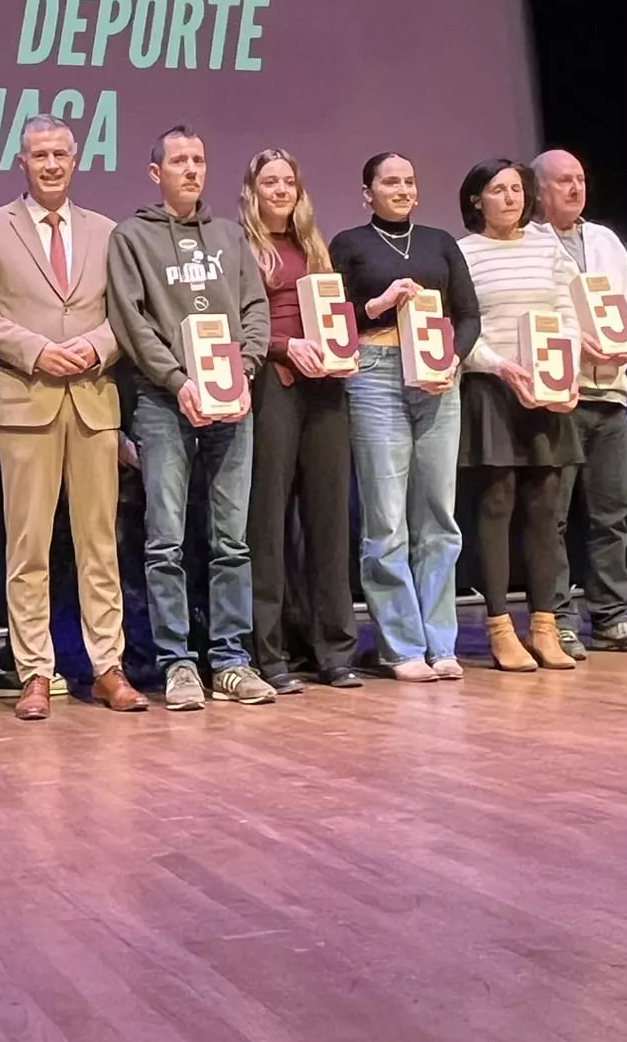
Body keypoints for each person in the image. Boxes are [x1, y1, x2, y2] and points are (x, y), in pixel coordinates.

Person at [0, 116, 146, 720]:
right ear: (23, 163)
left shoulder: (107, 231)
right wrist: (37, 350)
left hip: (94, 402)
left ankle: (107, 668)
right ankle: (35, 671)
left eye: (60, 154)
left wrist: (96, 347)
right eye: (39, 155)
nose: (50, 165)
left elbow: (128, 310)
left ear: (75, 160)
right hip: (26, 401)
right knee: (29, 547)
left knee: (100, 545)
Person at [106, 125, 276, 710]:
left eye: (199, 159)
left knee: (231, 538)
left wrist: (244, 369)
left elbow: (255, 308)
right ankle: (177, 661)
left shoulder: (230, 235)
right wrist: (179, 383)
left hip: (231, 401)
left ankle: (230, 658)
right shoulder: (132, 238)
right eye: (179, 160)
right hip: (163, 404)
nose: (191, 169)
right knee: (165, 541)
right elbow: (131, 320)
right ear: (156, 173)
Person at [330, 152, 480, 681]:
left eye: (409, 181)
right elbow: (331, 318)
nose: (401, 188)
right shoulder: (349, 243)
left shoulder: (441, 242)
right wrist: (377, 305)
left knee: (438, 515)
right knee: (386, 517)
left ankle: (442, 643)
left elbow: (468, 314)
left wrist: (453, 359)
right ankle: (401, 646)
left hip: (438, 376)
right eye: (389, 181)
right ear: (367, 192)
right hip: (374, 372)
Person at [533, 150, 627, 656]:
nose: (574, 188)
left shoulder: (606, 239)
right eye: (562, 181)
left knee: (612, 510)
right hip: (558, 395)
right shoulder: (528, 242)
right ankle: (557, 619)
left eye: (580, 179)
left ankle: (611, 616)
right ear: (538, 190)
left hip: (610, 392)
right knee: (554, 516)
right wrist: (573, 341)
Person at [454, 159, 584, 673]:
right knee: (495, 507)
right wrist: (502, 367)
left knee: (545, 509)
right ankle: (499, 626)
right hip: (493, 388)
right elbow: (461, 326)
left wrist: (562, 367)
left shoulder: (546, 245)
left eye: (516, 189)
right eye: (497, 190)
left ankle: (546, 626)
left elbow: (571, 309)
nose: (509, 198)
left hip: (547, 388)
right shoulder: (463, 253)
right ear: (475, 200)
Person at [240, 148, 360, 693]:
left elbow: (333, 314)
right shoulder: (243, 247)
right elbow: (237, 324)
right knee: (267, 524)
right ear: (253, 190)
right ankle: (270, 653)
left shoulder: (314, 246)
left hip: (325, 389)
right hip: (272, 384)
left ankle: (333, 650)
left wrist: (344, 346)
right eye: (270, 181)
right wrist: (287, 346)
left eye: (289, 180)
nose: (281, 190)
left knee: (329, 520)